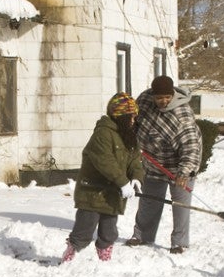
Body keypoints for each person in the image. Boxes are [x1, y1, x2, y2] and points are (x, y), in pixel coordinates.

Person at [62, 92, 144, 263]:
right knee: (85, 227)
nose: (134, 119)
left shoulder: (128, 135)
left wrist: (136, 178)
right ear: (121, 116)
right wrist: (122, 182)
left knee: (109, 230)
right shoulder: (103, 133)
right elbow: (104, 161)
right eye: (131, 116)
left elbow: (135, 160)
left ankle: (104, 255)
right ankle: (72, 252)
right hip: (93, 190)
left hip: (113, 192)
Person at [125, 75, 202, 254]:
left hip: (179, 166)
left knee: (180, 205)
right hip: (153, 162)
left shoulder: (182, 117)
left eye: (167, 97)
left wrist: (183, 173)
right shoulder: (144, 100)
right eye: (159, 97)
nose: (164, 101)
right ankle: (142, 235)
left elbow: (191, 148)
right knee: (149, 201)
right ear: (153, 95)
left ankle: (179, 242)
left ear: (173, 94)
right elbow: (135, 121)